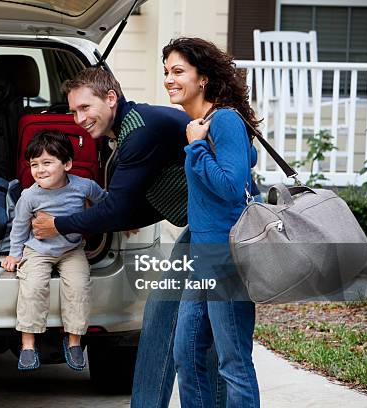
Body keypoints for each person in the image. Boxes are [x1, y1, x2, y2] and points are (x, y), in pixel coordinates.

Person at [31, 67, 225, 407]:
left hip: (220, 228)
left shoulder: (139, 133)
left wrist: (58, 224)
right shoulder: (128, 127)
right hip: (201, 223)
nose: (78, 119)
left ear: (110, 98)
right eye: (73, 111)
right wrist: (124, 215)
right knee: (163, 318)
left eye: (85, 108)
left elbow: (117, 210)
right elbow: (146, 195)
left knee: (198, 333)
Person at [163, 37, 261, 407]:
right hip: (203, 256)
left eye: (178, 71)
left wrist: (196, 146)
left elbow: (232, 187)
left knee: (233, 361)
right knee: (186, 355)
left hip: (227, 256)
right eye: (166, 73)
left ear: (202, 78)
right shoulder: (203, 123)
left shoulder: (224, 121)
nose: (170, 80)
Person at [1, 129, 107, 371]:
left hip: (72, 249)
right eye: (34, 164)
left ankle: (74, 341)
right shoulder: (29, 196)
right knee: (33, 287)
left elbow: (105, 202)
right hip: (38, 249)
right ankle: (28, 345)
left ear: (67, 164)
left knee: (79, 286)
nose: (40, 170)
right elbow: (19, 227)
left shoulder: (84, 186)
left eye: (47, 163)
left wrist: (123, 221)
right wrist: (14, 254)